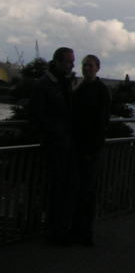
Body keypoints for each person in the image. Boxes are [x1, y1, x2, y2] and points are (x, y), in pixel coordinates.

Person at [29, 46, 77, 245]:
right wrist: (54, 134)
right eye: (69, 62)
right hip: (55, 145)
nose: (72, 65)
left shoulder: (60, 82)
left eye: (72, 62)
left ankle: (58, 228)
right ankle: (55, 230)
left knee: (62, 188)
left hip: (64, 144)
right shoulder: (46, 84)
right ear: (57, 62)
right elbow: (38, 115)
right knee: (56, 188)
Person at [70, 54, 111, 246]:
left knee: (86, 191)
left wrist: (93, 147)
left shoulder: (98, 90)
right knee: (81, 190)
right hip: (79, 146)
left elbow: (101, 121)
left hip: (88, 148)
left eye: (89, 65)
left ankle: (84, 232)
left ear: (97, 68)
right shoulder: (82, 87)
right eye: (84, 65)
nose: (86, 68)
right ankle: (79, 230)